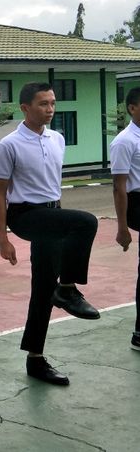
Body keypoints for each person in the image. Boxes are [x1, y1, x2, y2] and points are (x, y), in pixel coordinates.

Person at [0, 82, 100, 387]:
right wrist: (3, 238)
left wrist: (59, 223)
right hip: (25, 215)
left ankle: (35, 359)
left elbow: (52, 185)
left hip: (52, 214)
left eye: (53, 103)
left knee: (42, 288)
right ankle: (67, 289)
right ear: (25, 108)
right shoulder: (9, 145)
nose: (50, 109)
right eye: (43, 104)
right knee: (87, 222)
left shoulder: (57, 139)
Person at [110, 86, 140, 351]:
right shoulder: (125, 141)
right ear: (132, 108)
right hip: (137, 202)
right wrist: (122, 228)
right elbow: (119, 186)